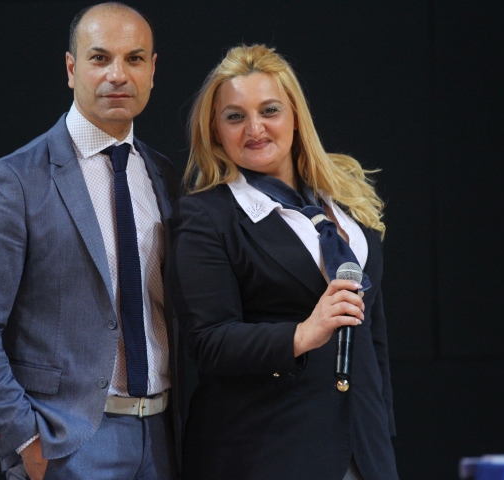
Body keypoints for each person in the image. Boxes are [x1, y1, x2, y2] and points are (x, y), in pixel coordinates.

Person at [0, 3, 182, 479]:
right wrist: (24, 440)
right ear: (71, 69)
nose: (118, 74)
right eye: (100, 58)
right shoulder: (15, 180)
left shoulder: (164, 175)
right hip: (67, 446)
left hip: (164, 441)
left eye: (134, 59)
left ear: (152, 71)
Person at [170, 44, 398, 480]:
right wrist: (302, 334)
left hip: (363, 451)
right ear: (215, 131)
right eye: (234, 116)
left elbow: (373, 337)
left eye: (269, 110)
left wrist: (381, 435)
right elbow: (209, 342)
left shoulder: (345, 202)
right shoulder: (206, 215)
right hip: (266, 452)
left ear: (295, 116)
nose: (254, 128)